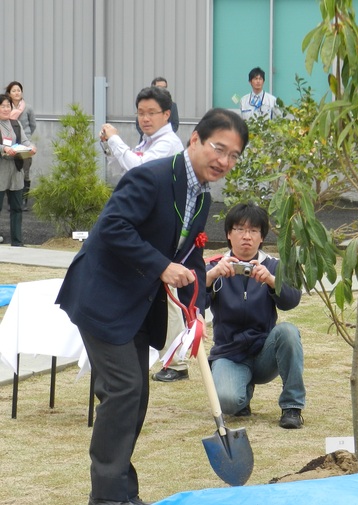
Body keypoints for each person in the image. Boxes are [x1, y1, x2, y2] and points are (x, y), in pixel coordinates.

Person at [56, 108, 249, 505]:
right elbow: (111, 227)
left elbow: (191, 254)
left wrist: (197, 306)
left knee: (135, 395)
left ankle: (123, 493)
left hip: (138, 305)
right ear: (195, 140)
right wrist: (161, 266)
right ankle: (107, 498)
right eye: (219, 148)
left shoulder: (201, 195)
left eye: (234, 155)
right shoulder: (153, 176)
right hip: (103, 298)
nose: (224, 161)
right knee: (124, 390)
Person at [205, 202, 305, 429]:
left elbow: (292, 301)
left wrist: (271, 280)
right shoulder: (215, 266)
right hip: (229, 354)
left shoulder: (274, 266)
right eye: (240, 229)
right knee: (228, 403)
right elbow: (195, 303)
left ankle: (292, 406)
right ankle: (242, 394)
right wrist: (211, 277)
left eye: (253, 231)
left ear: (262, 237)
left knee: (288, 332)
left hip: (264, 353)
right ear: (229, 234)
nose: (246, 236)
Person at [100, 86, 183, 172]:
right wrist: (107, 143)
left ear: (166, 115)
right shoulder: (147, 140)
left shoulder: (168, 142)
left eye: (151, 113)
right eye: (141, 113)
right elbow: (120, 167)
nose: (145, 119)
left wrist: (114, 138)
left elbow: (139, 168)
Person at [0, 93, 36, 246]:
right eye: (3, 106)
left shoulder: (16, 124)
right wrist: (4, 148)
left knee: (17, 208)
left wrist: (31, 147)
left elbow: (26, 141)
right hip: (1, 171)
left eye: (8, 106)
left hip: (15, 171)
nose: (6, 109)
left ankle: (17, 242)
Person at [5, 81, 36, 209]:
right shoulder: (6, 108)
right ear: (9, 93)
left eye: (19, 90)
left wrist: (25, 138)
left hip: (24, 144)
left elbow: (33, 125)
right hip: (9, 144)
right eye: (14, 90)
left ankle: (23, 201)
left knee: (25, 171)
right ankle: (10, 200)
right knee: (9, 171)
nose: (17, 93)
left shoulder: (28, 108)